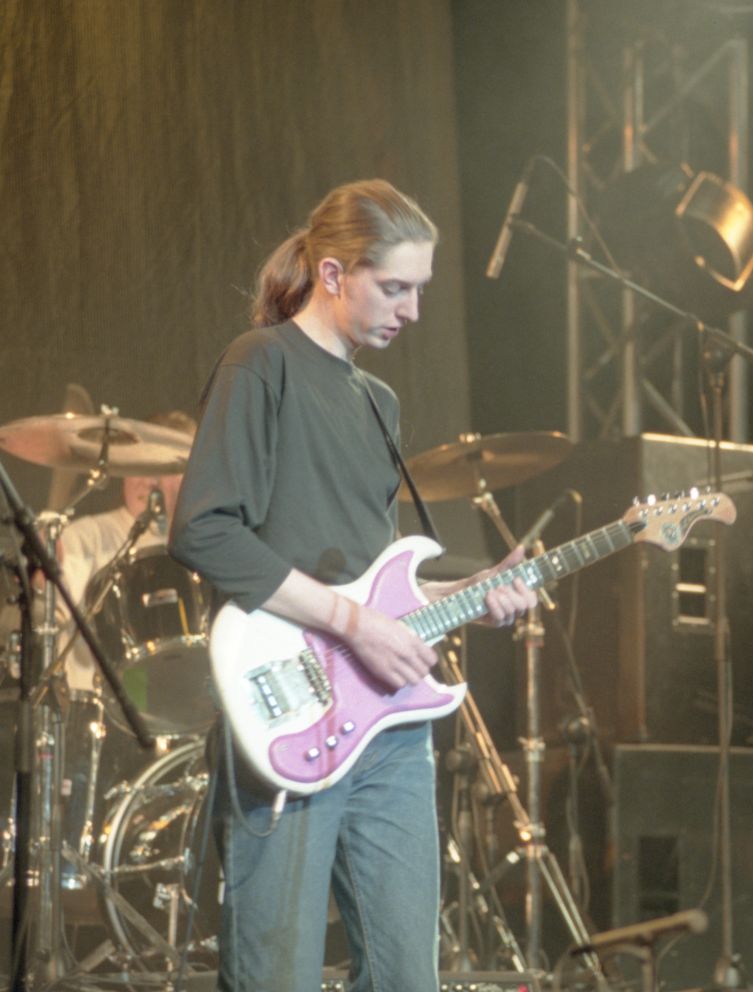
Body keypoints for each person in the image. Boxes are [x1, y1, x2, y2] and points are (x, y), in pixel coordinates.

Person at [169, 179, 536, 991]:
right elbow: (203, 530)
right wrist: (353, 624)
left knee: (408, 977)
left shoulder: (379, 402)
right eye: (395, 287)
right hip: (290, 708)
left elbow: (375, 584)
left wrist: (472, 594)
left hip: (387, 729)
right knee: (276, 975)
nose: (412, 310)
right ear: (333, 274)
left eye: (420, 290)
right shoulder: (260, 362)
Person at [55, 410, 197, 694]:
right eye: (138, 466)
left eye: (162, 468)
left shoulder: (203, 547)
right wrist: (39, 584)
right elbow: (48, 616)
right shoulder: (86, 536)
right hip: (99, 706)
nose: (148, 482)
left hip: (186, 700)